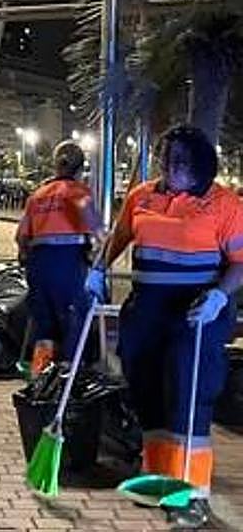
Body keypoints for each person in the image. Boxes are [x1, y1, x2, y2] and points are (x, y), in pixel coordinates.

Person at [89, 125, 243, 528]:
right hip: (146, 310)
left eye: (180, 161)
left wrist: (219, 296)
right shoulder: (143, 195)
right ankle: (158, 479)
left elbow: (241, 260)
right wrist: (98, 269)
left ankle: (191, 493)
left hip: (195, 311)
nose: (170, 167)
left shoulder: (224, 203)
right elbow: (119, 237)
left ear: (201, 166)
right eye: (166, 158)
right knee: (146, 391)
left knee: (189, 396)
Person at [16, 141, 104, 376]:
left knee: (43, 324)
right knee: (74, 321)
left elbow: (21, 237)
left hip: (38, 264)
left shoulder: (38, 195)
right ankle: (70, 378)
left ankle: (39, 379)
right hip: (68, 264)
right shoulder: (79, 192)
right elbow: (96, 228)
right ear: (80, 168)